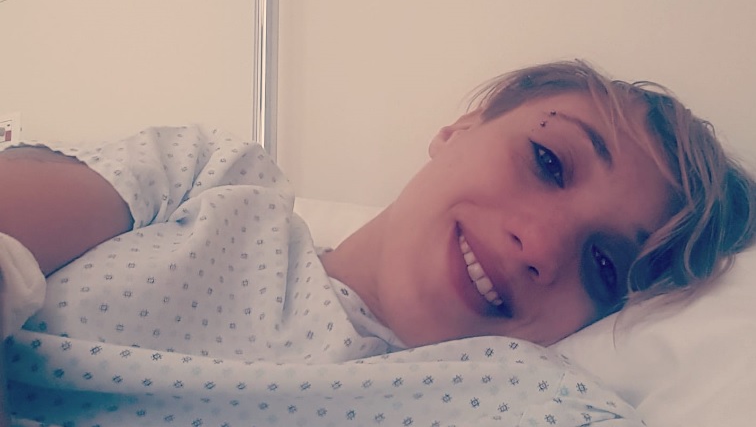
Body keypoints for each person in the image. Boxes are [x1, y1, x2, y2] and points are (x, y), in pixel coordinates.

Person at [0, 60, 754, 426]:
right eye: (548, 161)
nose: (542, 245)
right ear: (460, 128)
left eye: (604, 264)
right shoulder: (212, 177)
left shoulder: (532, 399)